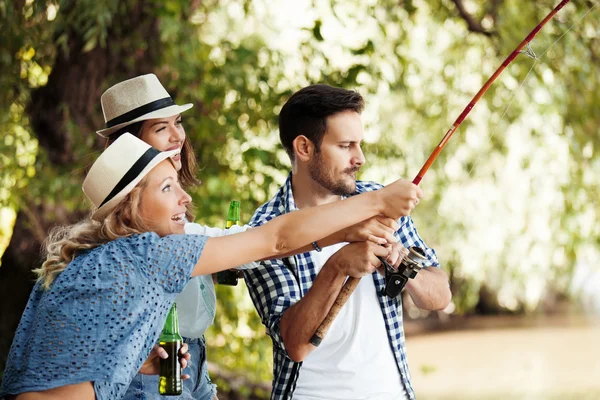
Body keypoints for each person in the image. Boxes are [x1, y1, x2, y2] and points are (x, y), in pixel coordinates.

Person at [0, 133, 421, 400]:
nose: (185, 199)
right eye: (168, 188)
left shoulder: (84, 261)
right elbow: (272, 239)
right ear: (129, 209)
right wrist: (376, 202)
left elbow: (69, 358)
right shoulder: (148, 254)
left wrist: (349, 231)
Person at [96, 74, 400, 400]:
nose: (178, 137)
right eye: (160, 128)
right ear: (127, 146)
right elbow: (272, 241)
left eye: (178, 122)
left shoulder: (173, 221)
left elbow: (248, 243)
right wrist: (359, 220)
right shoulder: (140, 241)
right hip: (152, 374)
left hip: (188, 362)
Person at [243, 84, 452, 400]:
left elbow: (439, 295)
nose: (360, 158)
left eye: (360, 144)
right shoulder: (264, 230)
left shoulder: (381, 202)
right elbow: (295, 345)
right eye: (346, 146)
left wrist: (401, 265)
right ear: (304, 148)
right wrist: (338, 265)